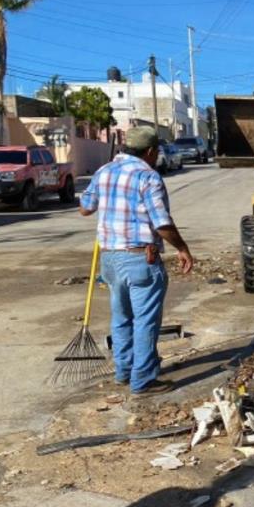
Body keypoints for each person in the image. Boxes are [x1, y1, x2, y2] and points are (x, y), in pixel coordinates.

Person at [79, 127, 194, 397]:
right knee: (145, 320)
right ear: (151, 151)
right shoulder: (147, 176)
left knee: (121, 317)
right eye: (157, 151)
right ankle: (142, 381)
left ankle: (124, 371)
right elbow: (161, 222)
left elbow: (85, 208)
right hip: (140, 257)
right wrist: (183, 248)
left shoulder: (104, 171)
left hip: (110, 258)